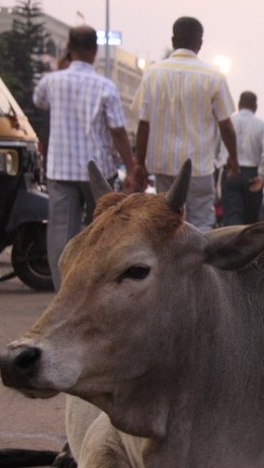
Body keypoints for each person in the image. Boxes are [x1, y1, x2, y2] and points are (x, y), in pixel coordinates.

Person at [32, 25, 140, 290]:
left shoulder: (51, 81)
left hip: (61, 168)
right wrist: (132, 165)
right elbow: (117, 131)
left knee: (61, 236)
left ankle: (63, 292)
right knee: (104, 234)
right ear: (95, 51)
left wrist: (62, 64)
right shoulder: (105, 87)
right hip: (98, 173)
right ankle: (101, 289)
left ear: (69, 48)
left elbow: (39, 101)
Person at [132, 16, 238, 232]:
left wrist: (140, 163)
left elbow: (144, 124)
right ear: (200, 43)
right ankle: (198, 265)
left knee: (167, 220)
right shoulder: (213, 76)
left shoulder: (153, 74)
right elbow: (225, 125)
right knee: (200, 222)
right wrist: (234, 158)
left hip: (163, 164)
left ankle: (170, 265)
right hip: (199, 165)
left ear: (173, 40)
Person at [220, 91, 264, 226]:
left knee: (232, 218)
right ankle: (247, 246)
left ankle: (232, 245)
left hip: (230, 172)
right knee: (251, 220)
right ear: (255, 107)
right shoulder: (263, 126)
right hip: (252, 175)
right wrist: (261, 175)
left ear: (238, 105)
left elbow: (216, 148)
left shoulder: (227, 122)